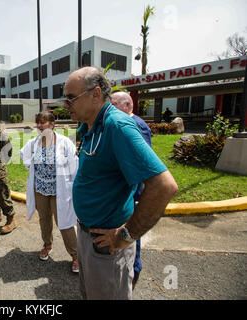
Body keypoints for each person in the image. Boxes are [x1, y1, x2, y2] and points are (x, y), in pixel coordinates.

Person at [63, 66, 178, 300]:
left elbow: (164, 186)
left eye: (71, 98)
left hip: (107, 247)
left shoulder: (118, 126)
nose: (66, 105)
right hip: (88, 237)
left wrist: (125, 236)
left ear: (96, 94)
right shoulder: (90, 127)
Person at [20, 111, 79, 273]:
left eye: (43, 123)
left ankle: (75, 255)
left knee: (64, 223)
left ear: (52, 125)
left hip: (59, 190)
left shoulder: (65, 142)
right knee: (44, 219)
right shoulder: (34, 143)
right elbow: (23, 155)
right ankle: (47, 245)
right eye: (37, 123)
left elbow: (75, 166)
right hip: (40, 189)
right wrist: (29, 165)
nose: (39, 126)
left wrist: (73, 187)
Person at [110, 91, 152, 289]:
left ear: (127, 105)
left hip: (131, 194)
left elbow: (139, 166)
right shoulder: (120, 122)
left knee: (131, 235)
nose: (110, 107)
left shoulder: (137, 126)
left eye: (114, 103)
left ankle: (133, 273)